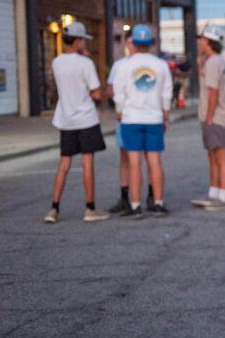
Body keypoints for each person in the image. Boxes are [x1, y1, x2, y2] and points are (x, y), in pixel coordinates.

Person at [44, 21, 109, 224]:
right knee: (87, 162)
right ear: (78, 40)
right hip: (86, 119)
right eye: (83, 40)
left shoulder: (57, 62)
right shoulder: (85, 63)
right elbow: (96, 93)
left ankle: (53, 209)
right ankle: (90, 208)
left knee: (64, 163)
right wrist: (87, 61)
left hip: (66, 119)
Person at [111, 24, 173, 217]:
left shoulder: (124, 65)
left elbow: (118, 93)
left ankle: (136, 205)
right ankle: (158, 203)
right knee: (155, 161)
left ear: (134, 43)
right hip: (154, 118)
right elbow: (167, 93)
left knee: (134, 162)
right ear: (151, 43)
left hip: (131, 118)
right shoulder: (161, 65)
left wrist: (119, 112)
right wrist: (166, 115)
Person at [107, 29, 153, 214]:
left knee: (150, 157)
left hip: (145, 116)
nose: (134, 45)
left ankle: (152, 196)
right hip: (126, 116)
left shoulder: (152, 64)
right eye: (132, 41)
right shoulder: (120, 65)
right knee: (126, 158)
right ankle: (126, 197)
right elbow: (110, 89)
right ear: (127, 43)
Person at [190, 28, 225, 212]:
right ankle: (214, 193)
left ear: (209, 42)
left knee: (220, 157)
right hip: (214, 116)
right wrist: (201, 60)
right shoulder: (214, 61)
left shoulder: (213, 62)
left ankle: (223, 197)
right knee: (213, 156)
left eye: (202, 39)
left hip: (214, 117)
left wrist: (209, 116)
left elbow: (213, 91)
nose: (199, 42)